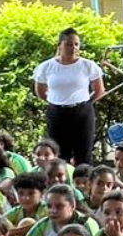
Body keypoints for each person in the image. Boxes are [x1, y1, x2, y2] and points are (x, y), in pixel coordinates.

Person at [32, 28, 106, 166]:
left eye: (76, 44)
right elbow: (41, 91)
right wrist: (56, 100)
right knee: (60, 153)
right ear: (60, 45)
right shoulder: (46, 67)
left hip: (82, 112)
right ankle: (61, 183)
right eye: (69, 44)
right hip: (57, 113)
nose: (73, 48)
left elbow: (99, 90)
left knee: (83, 152)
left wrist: (85, 103)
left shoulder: (88, 65)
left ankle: (84, 182)